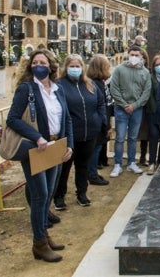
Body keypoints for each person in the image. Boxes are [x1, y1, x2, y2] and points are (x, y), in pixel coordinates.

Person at [6, 49, 73, 262]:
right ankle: (39, 244)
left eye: (42, 62)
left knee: (49, 193)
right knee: (39, 195)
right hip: (36, 149)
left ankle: (45, 234)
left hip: (55, 147)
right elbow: (13, 119)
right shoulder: (27, 89)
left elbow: (67, 119)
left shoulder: (57, 89)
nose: (38, 65)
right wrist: (37, 137)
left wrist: (68, 144)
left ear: (51, 66)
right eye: (34, 62)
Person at [54, 54, 107, 208]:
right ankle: (59, 196)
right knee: (65, 167)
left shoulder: (90, 84)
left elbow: (100, 103)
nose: (75, 69)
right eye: (72, 66)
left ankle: (82, 193)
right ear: (66, 67)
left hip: (89, 133)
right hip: (70, 135)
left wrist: (100, 120)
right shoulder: (60, 85)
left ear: (83, 67)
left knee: (83, 165)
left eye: (78, 66)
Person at [109, 46, 152, 177]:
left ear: (141, 57)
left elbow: (146, 92)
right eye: (131, 54)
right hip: (121, 108)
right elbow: (114, 88)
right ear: (128, 55)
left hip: (137, 109)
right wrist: (124, 104)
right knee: (120, 137)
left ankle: (131, 163)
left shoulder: (145, 72)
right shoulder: (119, 70)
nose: (134, 57)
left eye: (136, 55)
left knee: (133, 137)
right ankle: (117, 164)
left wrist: (134, 105)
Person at [86, 54, 113, 186]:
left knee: (97, 149)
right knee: (95, 150)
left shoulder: (100, 82)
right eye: (107, 65)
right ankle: (92, 174)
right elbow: (100, 107)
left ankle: (93, 173)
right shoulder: (95, 84)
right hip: (99, 124)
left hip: (102, 122)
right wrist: (106, 126)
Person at [143, 54, 160, 174]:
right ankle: (152, 162)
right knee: (154, 136)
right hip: (153, 112)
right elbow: (149, 95)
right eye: (157, 65)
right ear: (153, 67)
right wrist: (156, 108)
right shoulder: (151, 77)